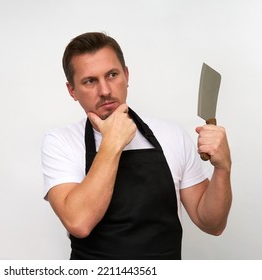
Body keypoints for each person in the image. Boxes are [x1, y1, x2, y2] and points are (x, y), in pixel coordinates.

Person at [41, 32, 232, 260]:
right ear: (72, 90)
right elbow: (78, 222)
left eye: (112, 75)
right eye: (90, 81)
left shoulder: (172, 135)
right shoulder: (60, 142)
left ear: (127, 75)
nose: (105, 90)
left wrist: (223, 169)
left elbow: (212, 223)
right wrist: (112, 143)